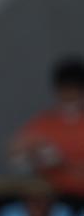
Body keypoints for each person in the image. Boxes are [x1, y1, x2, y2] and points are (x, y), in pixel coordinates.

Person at [10, 56, 84, 206]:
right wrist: (31, 157)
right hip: (54, 201)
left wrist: (63, 163)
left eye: (75, 89)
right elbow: (17, 158)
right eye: (65, 89)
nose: (70, 95)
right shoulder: (43, 124)